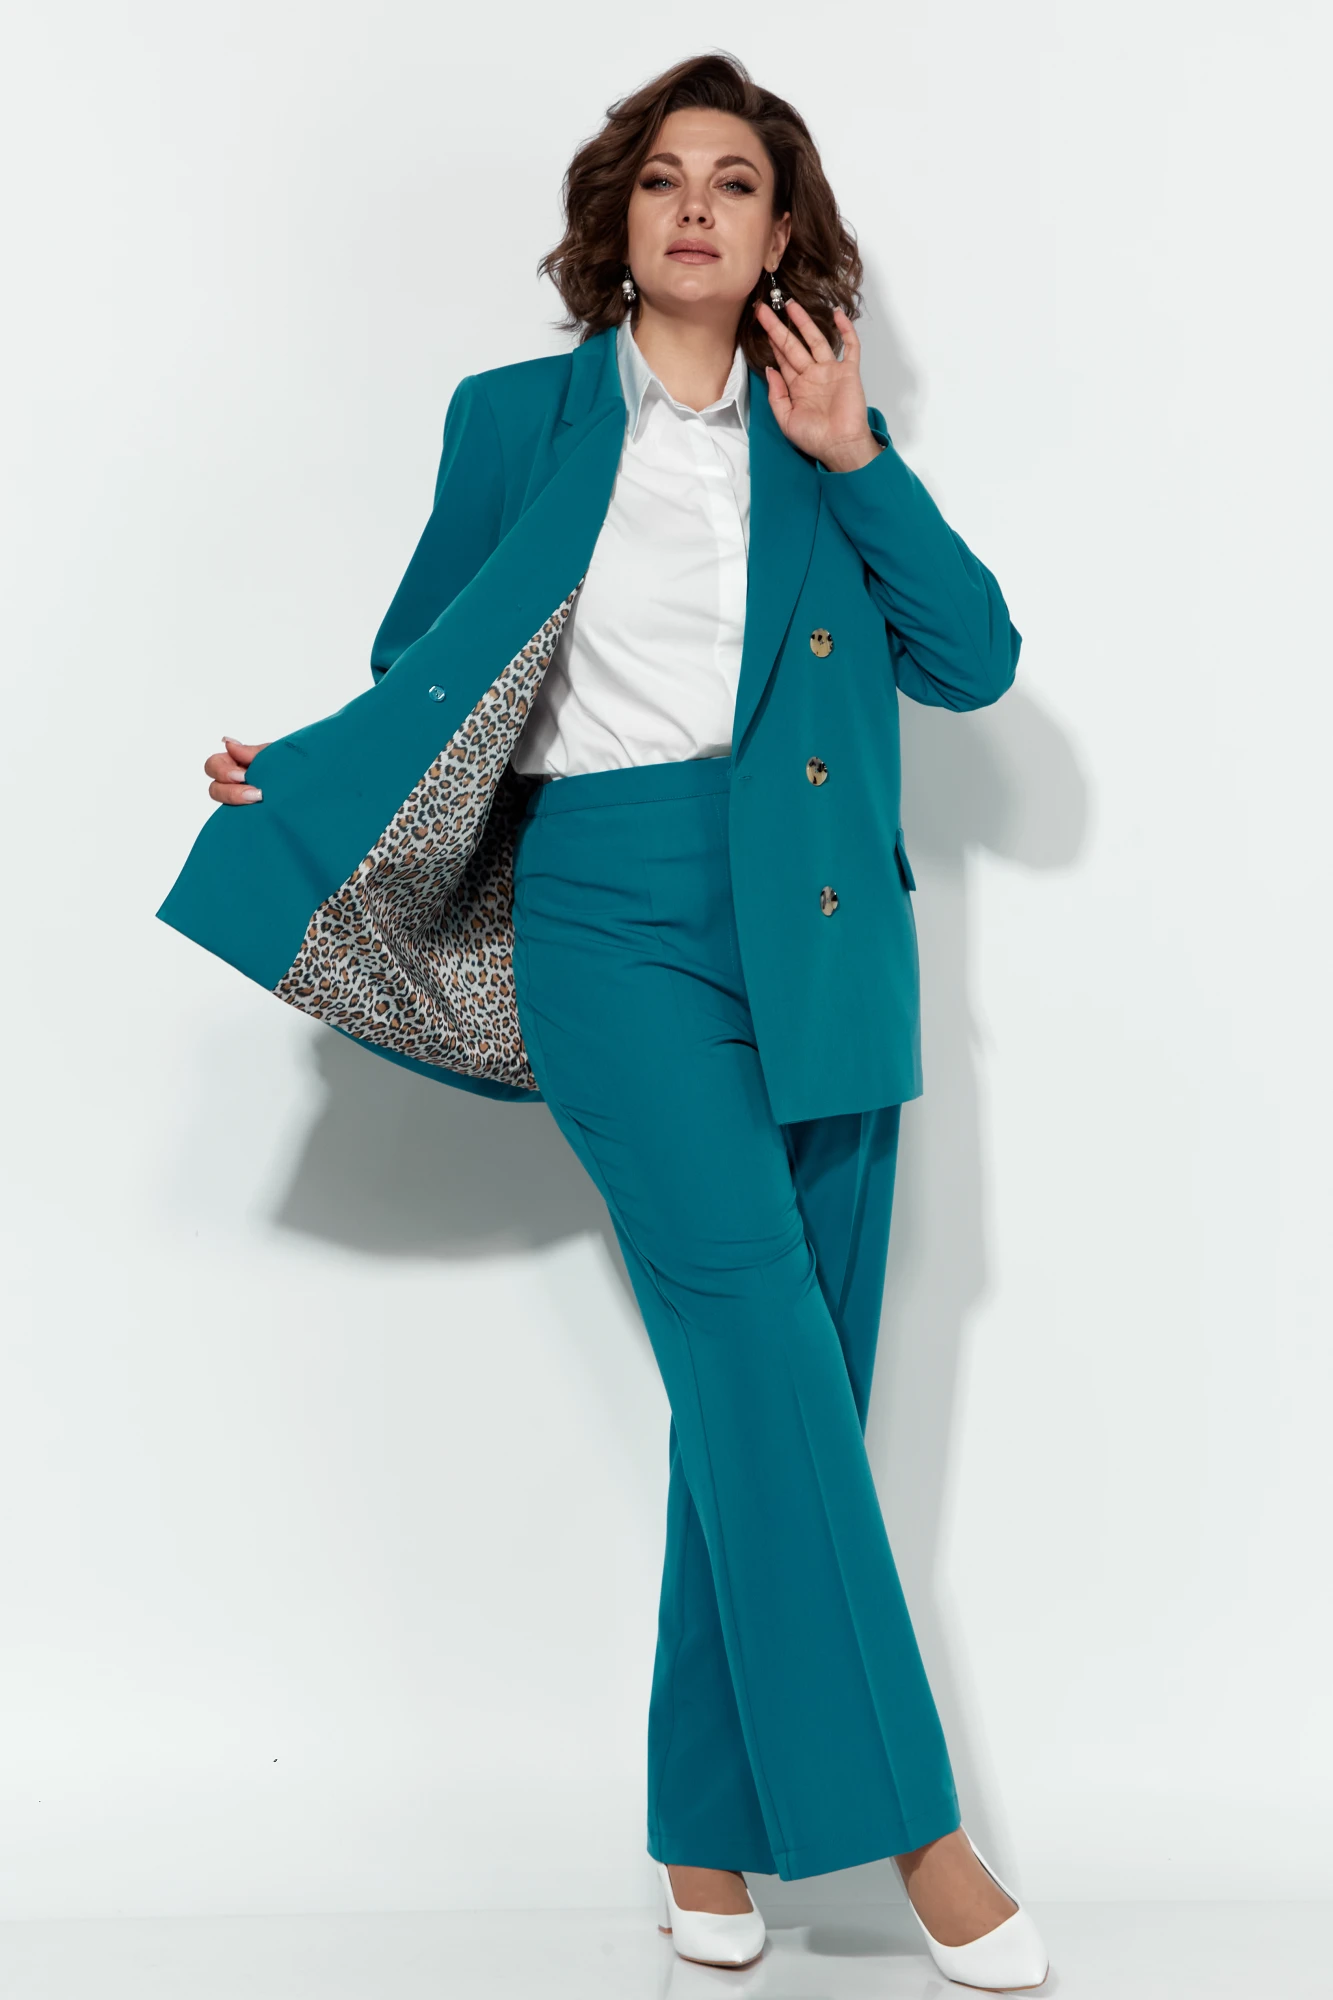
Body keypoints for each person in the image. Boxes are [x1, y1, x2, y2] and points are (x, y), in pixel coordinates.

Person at [178, 51, 1048, 1993]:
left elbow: (976, 663)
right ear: (621, 217)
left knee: (779, 1387)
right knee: (755, 1336)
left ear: (780, 231)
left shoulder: (828, 434)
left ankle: (701, 1824)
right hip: (612, 914)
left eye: (735, 180)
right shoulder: (515, 417)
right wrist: (308, 774)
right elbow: (428, 665)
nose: (696, 206)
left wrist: (858, 457)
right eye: (665, 177)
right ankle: (919, 1835)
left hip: (825, 938)